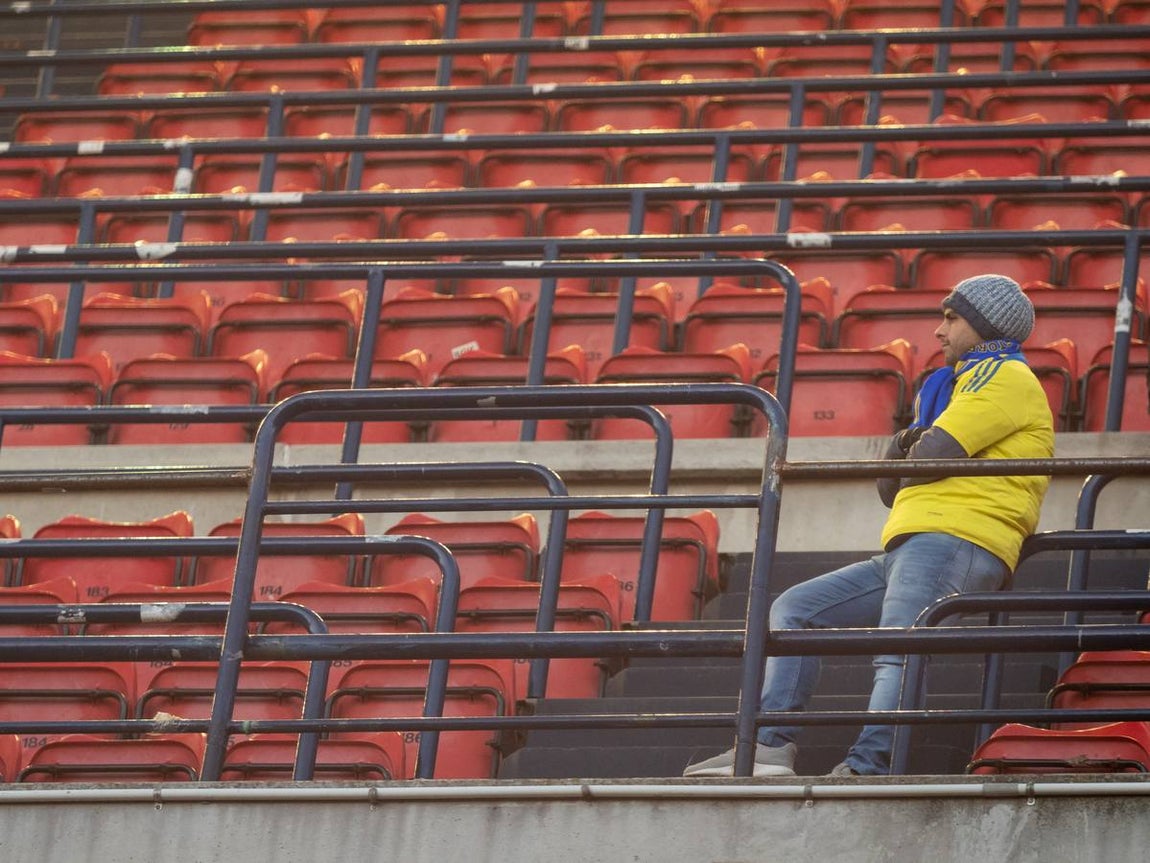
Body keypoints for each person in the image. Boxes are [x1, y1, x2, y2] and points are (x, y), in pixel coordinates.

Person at [684, 273, 1055, 778]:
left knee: (896, 653)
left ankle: (869, 766)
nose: (939, 331)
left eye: (952, 317)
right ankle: (769, 748)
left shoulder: (1005, 376)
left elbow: (930, 459)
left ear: (985, 324)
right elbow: (890, 486)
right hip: (914, 543)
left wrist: (909, 448)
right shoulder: (953, 387)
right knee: (795, 611)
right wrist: (909, 449)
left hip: (956, 540)